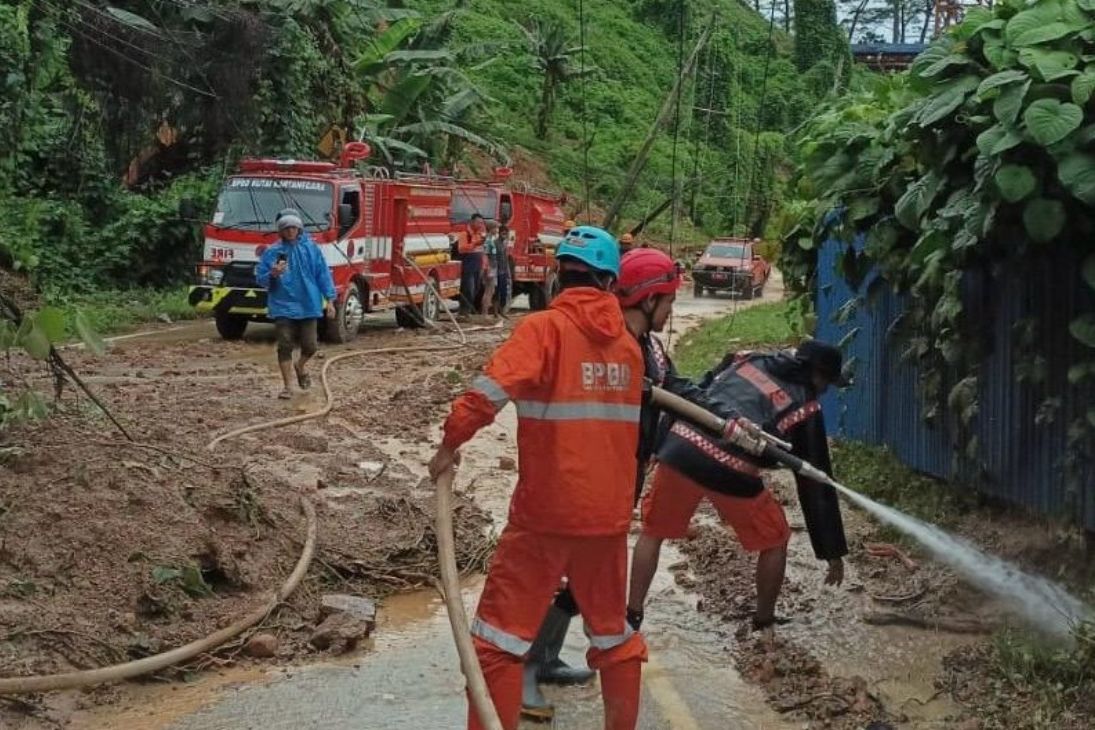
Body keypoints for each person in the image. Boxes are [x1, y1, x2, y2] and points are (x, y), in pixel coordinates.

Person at [429, 226, 647, 730]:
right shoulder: (629, 350)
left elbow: (486, 395)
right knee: (613, 638)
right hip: (608, 519)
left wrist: (448, 446)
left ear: (558, 276)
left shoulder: (542, 331)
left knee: (497, 644)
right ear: (610, 283)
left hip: (544, 516)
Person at [627, 339, 850, 633]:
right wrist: (831, 551)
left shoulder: (745, 359)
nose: (825, 390)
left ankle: (632, 614)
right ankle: (764, 621)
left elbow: (694, 393)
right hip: (730, 469)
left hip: (681, 447)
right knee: (775, 538)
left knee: (653, 532)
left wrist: (661, 443)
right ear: (817, 375)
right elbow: (815, 482)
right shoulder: (806, 407)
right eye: (827, 384)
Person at [255, 209, 336, 400]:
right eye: (286, 228)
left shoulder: (311, 249)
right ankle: (287, 386)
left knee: (311, 346)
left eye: (293, 227)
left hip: (308, 304)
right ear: (281, 231)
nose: (290, 231)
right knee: (285, 345)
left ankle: (300, 365)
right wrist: (273, 274)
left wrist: (330, 300)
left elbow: (322, 274)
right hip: (282, 305)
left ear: (299, 229)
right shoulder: (273, 252)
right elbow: (261, 279)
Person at [459, 213, 487, 314]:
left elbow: (482, 252)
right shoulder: (465, 234)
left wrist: (484, 266)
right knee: (468, 289)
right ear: (472, 222)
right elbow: (461, 249)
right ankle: (464, 311)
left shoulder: (480, 235)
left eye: (481, 223)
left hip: (478, 266)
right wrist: (474, 244)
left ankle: (468, 311)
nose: (480, 225)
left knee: (476, 289)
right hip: (468, 266)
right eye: (478, 222)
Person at [481, 220, 500, 316]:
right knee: (489, 289)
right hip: (490, 267)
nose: (497, 230)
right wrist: (487, 268)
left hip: (493, 266)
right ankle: (484, 313)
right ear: (491, 228)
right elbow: (485, 255)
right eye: (496, 228)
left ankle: (485, 312)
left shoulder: (493, 239)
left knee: (491, 290)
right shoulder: (488, 240)